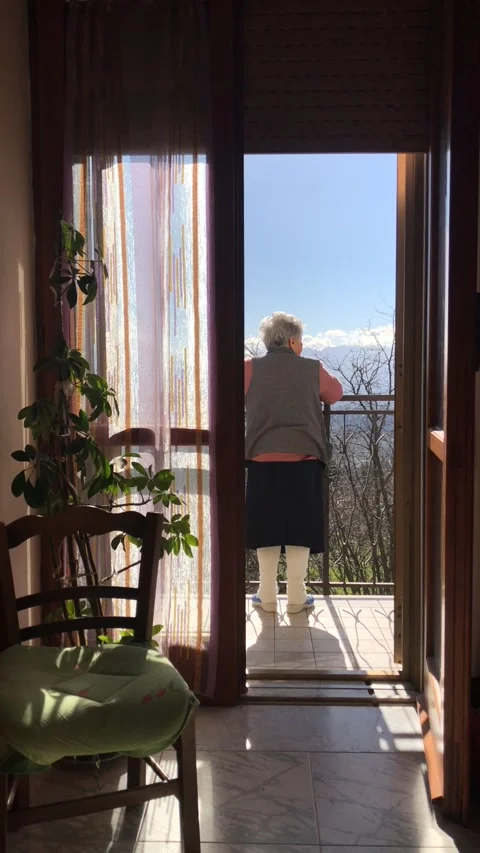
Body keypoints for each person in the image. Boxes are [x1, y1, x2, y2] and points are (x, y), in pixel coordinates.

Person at [245, 312, 343, 614]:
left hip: (262, 459)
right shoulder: (312, 369)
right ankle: (298, 597)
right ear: (291, 341)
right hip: (305, 459)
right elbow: (335, 395)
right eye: (300, 341)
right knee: (301, 527)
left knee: (267, 526)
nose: (301, 346)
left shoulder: (249, 369)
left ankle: (267, 594)